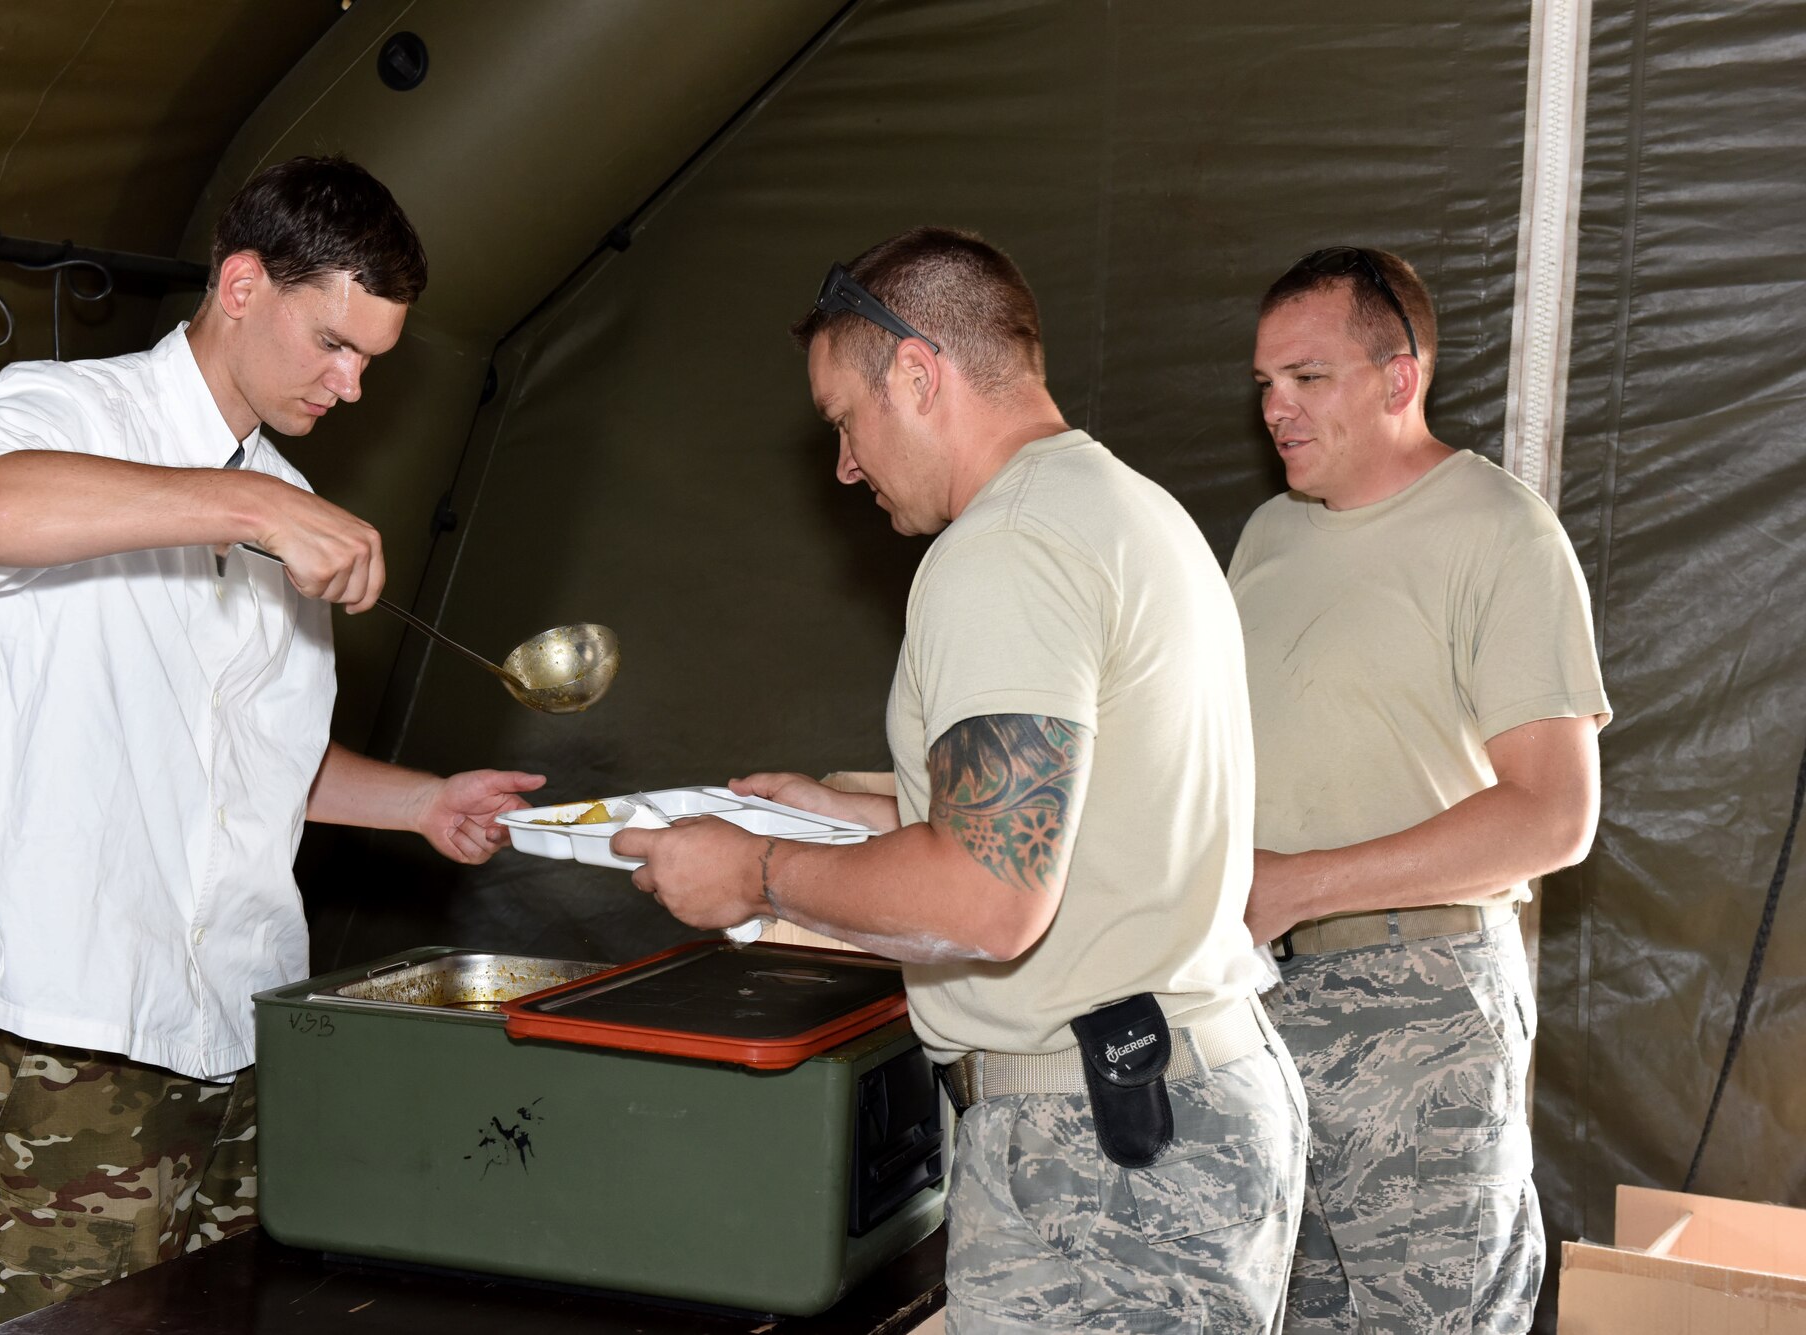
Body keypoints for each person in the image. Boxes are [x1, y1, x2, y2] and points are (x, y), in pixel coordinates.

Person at [0, 155, 543, 1332]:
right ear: (241, 285)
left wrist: (425, 804)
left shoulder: (287, 500)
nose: (348, 387)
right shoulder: (73, 413)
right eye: (333, 345)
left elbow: (256, 762)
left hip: (239, 1024)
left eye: (370, 365)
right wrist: (244, 505)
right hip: (68, 1027)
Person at [613, 227, 1305, 1334]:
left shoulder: (1001, 549)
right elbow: (1076, 815)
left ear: (915, 374)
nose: (842, 463)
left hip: (1099, 1156)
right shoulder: (1121, 509)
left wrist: (754, 873)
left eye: (844, 419)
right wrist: (843, 817)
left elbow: (987, 896)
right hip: (1169, 1105)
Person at [1230, 246, 1611, 1334]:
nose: (1275, 407)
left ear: (1399, 379)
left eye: (1307, 377)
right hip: (1257, 1003)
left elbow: (1552, 813)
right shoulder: (1266, 536)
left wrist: (1300, 884)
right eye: (1262, 383)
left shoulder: (1499, 534)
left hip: (1419, 1005)